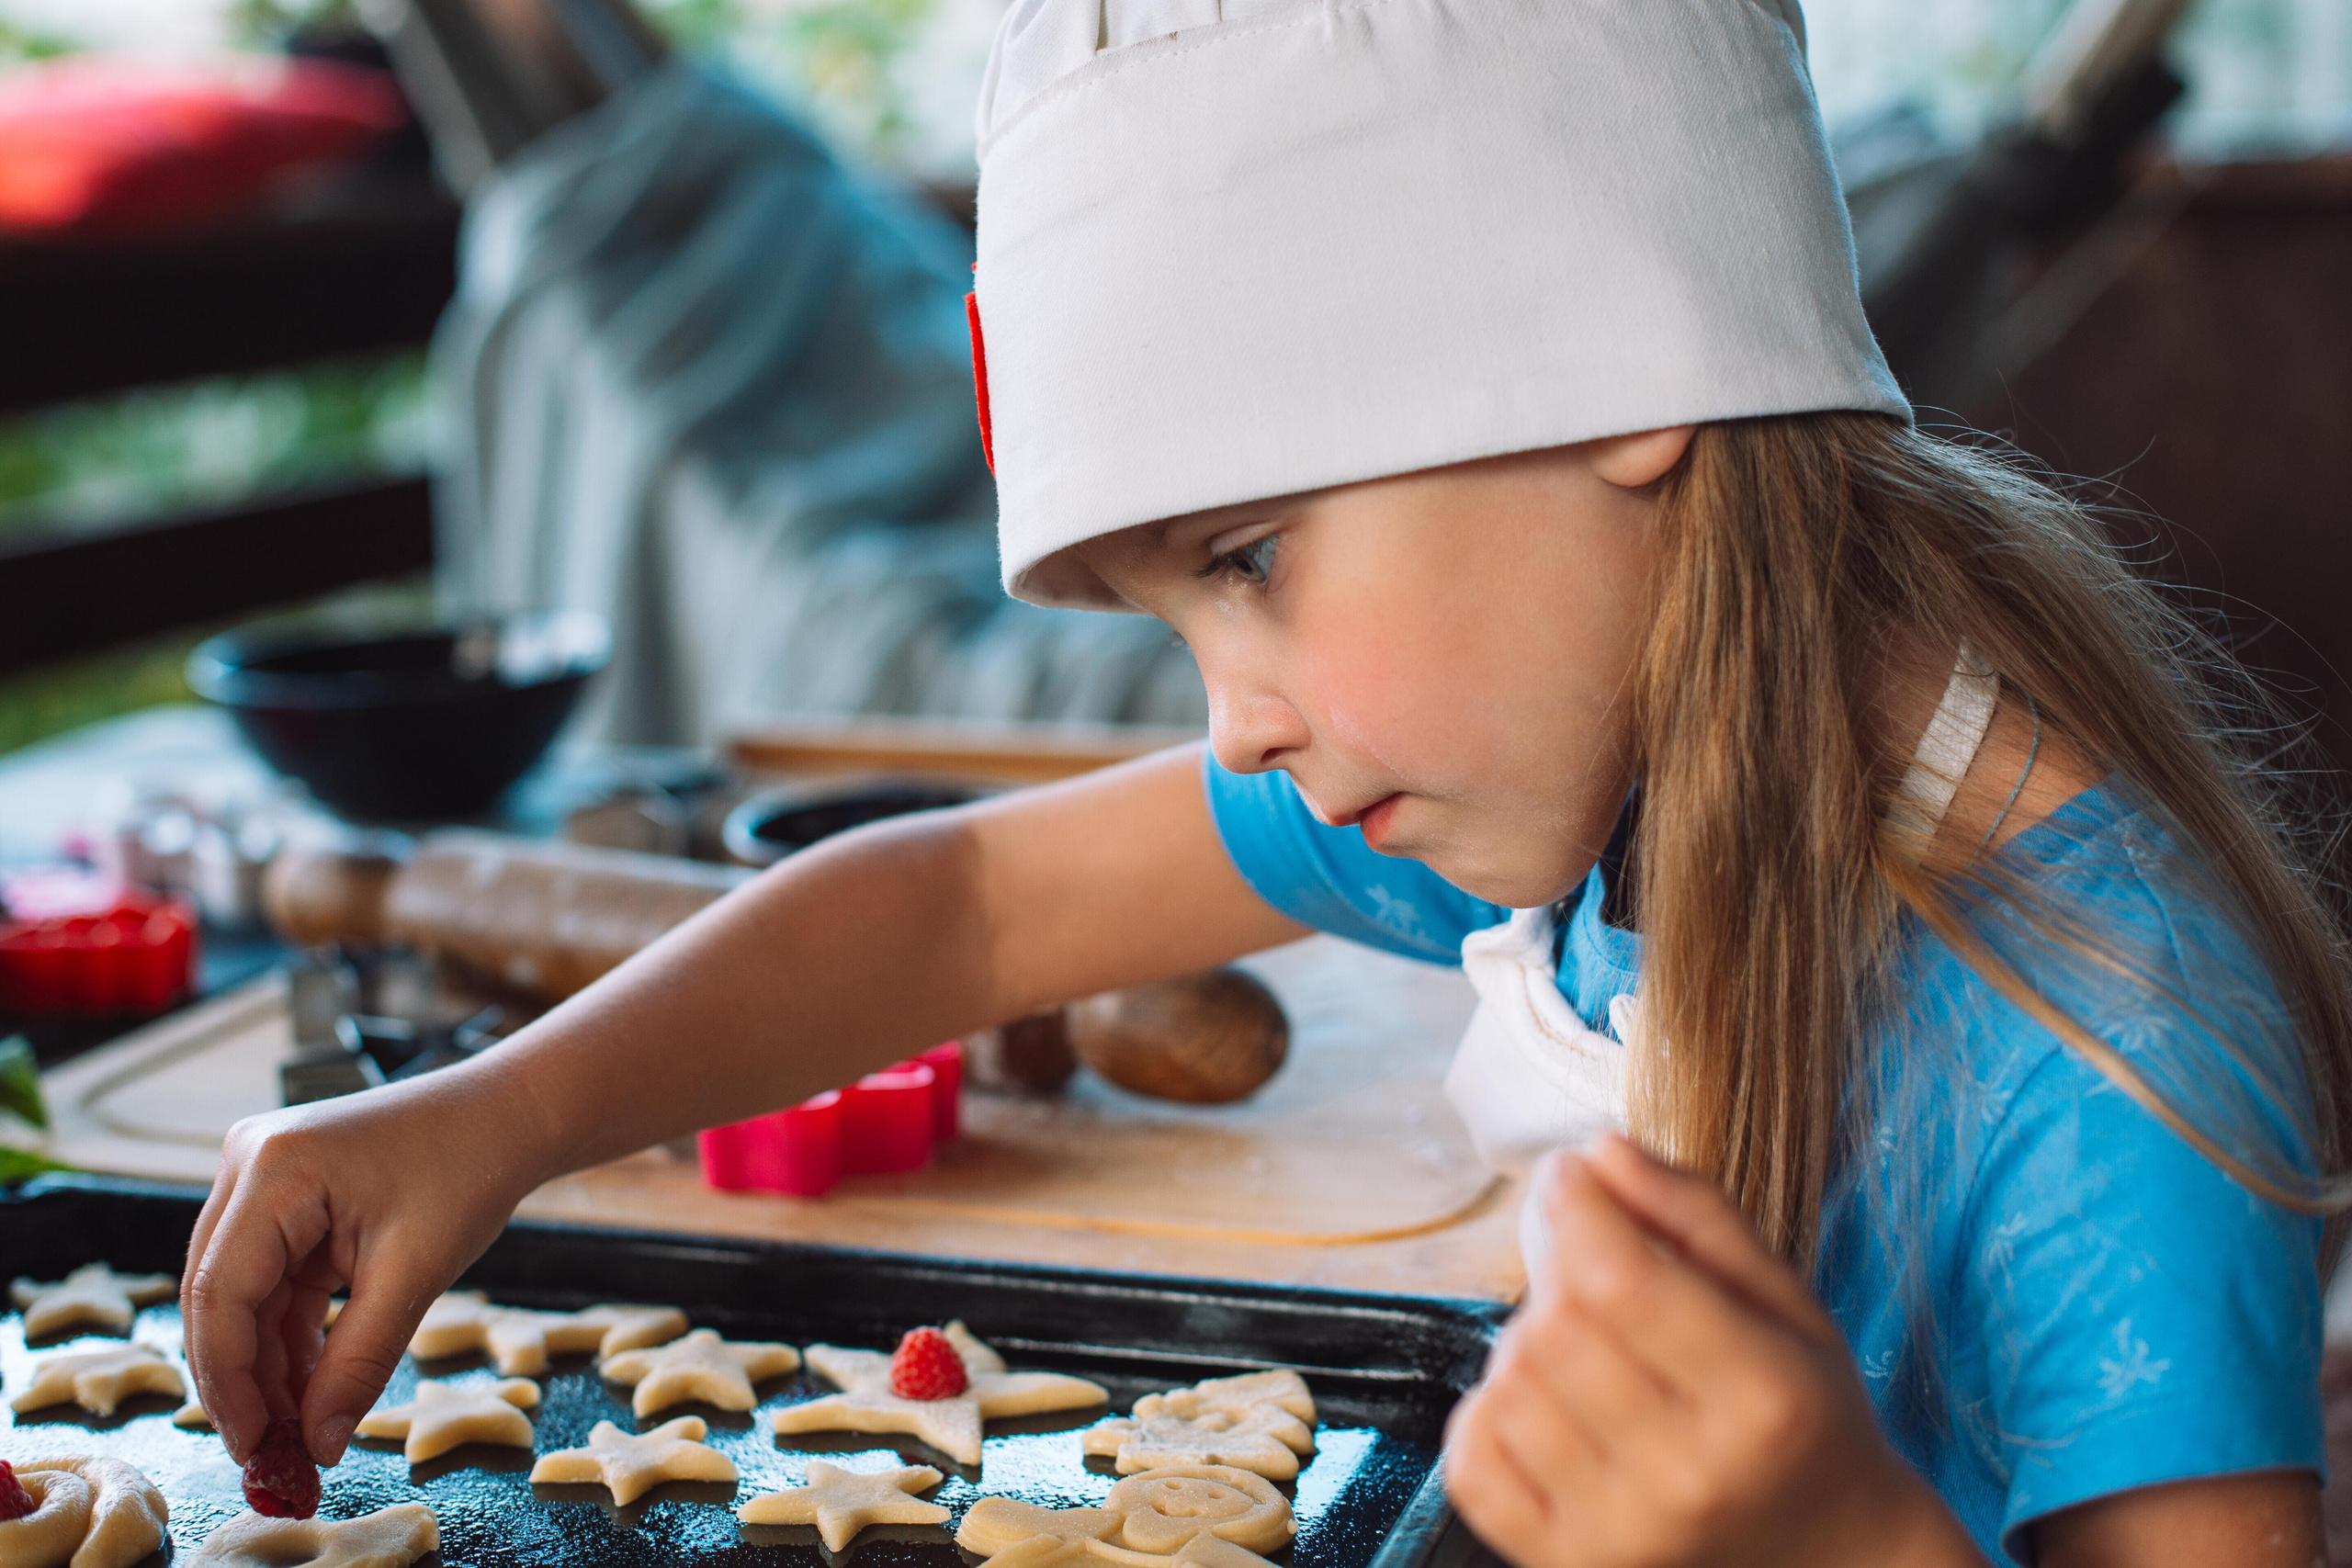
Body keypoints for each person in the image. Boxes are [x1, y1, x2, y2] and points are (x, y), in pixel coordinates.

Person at [181, 2, 2348, 1564]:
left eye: (1247, 559)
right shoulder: (1585, 760)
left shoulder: (2111, 1047)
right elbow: (959, 908)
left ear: (1625, 375)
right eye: (1176, 615)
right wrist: (493, 1114)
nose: (1232, 720)